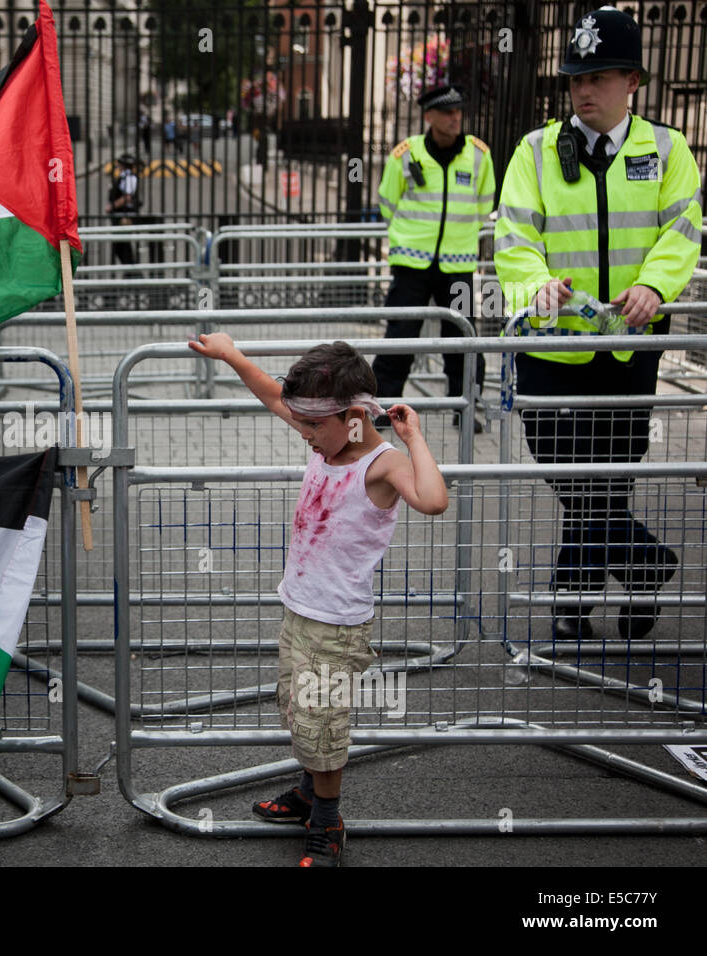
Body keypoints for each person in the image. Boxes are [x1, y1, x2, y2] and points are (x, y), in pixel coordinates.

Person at [187, 334, 448, 866]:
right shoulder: (329, 436)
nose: (302, 432)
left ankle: (327, 822)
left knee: (322, 722)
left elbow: (434, 500)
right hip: (299, 609)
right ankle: (309, 792)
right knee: (300, 712)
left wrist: (414, 436)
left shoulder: (381, 463)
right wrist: (233, 354)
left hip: (337, 623)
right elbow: (272, 396)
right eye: (302, 422)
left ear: (353, 416)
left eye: (312, 425)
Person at [495, 7, 701, 641]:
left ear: (633, 80)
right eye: (576, 78)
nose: (583, 90)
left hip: (630, 347)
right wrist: (535, 287)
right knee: (565, 464)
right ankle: (644, 564)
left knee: (609, 473)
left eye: (599, 77)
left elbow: (683, 228)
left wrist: (654, 285)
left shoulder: (667, 148)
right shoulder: (535, 150)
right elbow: (514, 235)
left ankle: (575, 598)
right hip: (552, 347)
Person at [374, 85, 496, 434]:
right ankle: (384, 409)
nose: (455, 117)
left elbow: (484, 203)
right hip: (411, 263)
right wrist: (407, 239)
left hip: (458, 263)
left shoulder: (478, 155)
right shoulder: (405, 155)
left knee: (463, 338)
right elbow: (388, 203)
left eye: (459, 111)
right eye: (447, 112)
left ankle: (465, 408)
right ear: (428, 116)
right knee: (401, 337)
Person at [106, 153, 139, 265]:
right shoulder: (124, 176)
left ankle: (132, 274)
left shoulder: (128, 177)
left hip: (124, 215)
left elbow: (127, 197)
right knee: (120, 245)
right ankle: (130, 273)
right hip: (120, 214)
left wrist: (113, 206)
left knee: (122, 245)